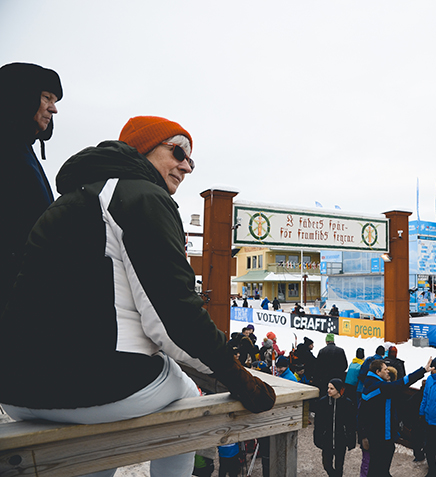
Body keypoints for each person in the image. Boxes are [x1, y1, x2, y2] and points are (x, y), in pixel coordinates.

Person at [0, 116, 276, 476]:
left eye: (191, 160)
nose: (187, 166)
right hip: (89, 385)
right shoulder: (141, 195)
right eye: (178, 151)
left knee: (95, 441)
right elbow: (174, 315)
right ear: (143, 149)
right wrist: (238, 377)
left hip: (15, 389)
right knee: (185, 392)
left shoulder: (69, 200)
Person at [0, 62, 63, 314]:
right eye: (46, 97)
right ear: (20, 94)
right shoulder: (8, 148)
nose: (54, 108)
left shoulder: (22, 148)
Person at [359, 358, 431, 476]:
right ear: (378, 372)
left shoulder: (368, 384)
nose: (388, 372)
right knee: (381, 468)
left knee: (375, 467)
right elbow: (401, 383)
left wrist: (363, 435)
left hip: (373, 434)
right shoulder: (380, 387)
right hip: (382, 436)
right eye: (385, 369)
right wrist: (422, 370)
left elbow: (361, 414)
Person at [314, 379, 356, 477]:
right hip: (327, 439)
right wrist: (317, 437)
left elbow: (351, 424)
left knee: (339, 466)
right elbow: (318, 422)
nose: (328, 390)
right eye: (328, 388)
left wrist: (351, 440)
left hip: (341, 440)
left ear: (338, 390)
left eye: (331, 388)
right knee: (327, 464)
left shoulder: (347, 403)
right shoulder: (323, 402)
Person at [315, 333, 348, 399]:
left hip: (325, 379)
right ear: (333, 341)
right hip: (337, 378)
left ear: (326, 341)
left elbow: (317, 367)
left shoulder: (322, 351)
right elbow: (345, 365)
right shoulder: (340, 351)